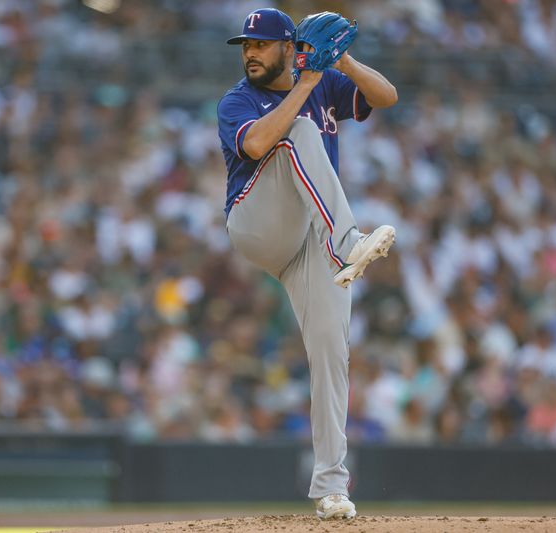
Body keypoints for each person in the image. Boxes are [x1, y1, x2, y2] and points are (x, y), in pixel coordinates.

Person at [217, 8, 398, 519]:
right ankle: (348, 243)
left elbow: (386, 96)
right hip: (259, 224)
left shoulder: (323, 83)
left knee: (330, 351)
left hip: (311, 238)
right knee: (295, 131)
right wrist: (308, 82)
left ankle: (332, 488)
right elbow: (254, 143)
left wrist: (343, 61)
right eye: (245, 46)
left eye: (260, 45)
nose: (249, 53)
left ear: (287, 47)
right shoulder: (239, 99)